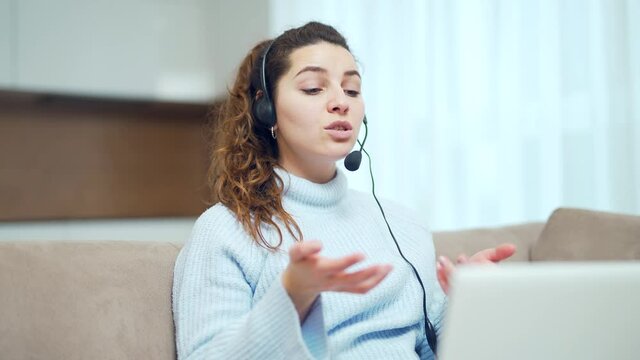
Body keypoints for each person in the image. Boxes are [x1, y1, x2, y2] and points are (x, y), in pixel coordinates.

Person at [172, 21, 515, 360]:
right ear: (267, 109)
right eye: (313, 88)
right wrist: (293, 296)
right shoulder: (225, 230)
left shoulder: (402, 223)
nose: (341, 102)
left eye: (352, 90)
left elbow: (427, 347)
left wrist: (468, 301)